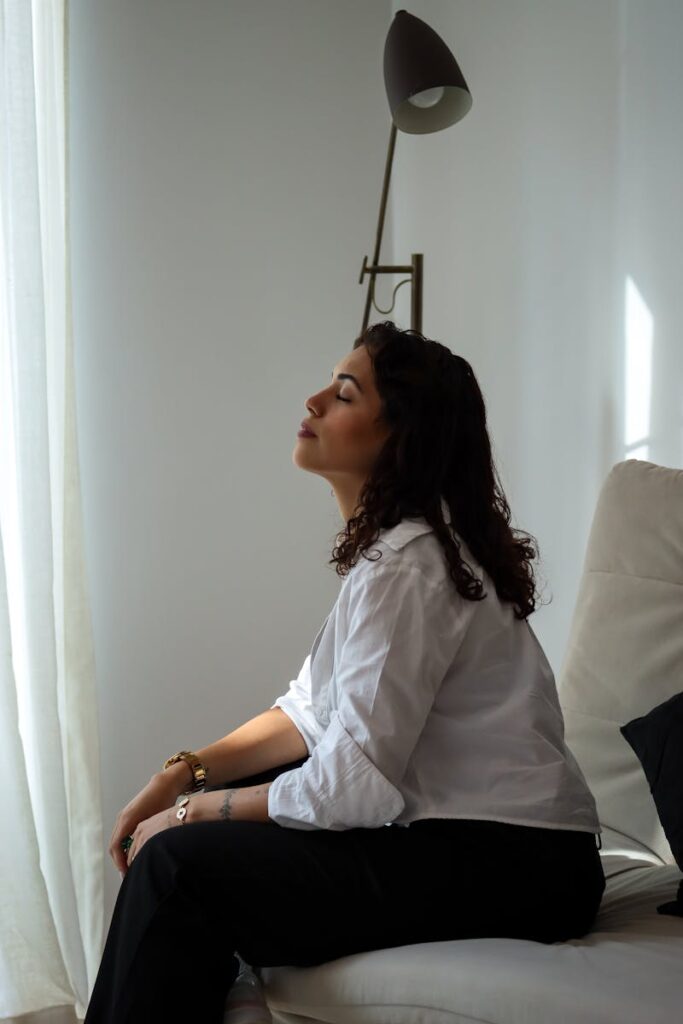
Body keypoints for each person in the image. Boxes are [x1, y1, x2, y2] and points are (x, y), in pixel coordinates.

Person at [83, 320, 606, 1023]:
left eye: (345, 393)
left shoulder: (409, 565)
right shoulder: (399, 555)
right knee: (209, 819)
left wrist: (190, 813)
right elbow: (307, 713)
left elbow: (352, 784)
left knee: (178, 867)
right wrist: (184, 775)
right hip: (504, 854)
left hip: (512, 864)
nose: (314, 401)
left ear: (401, 437)